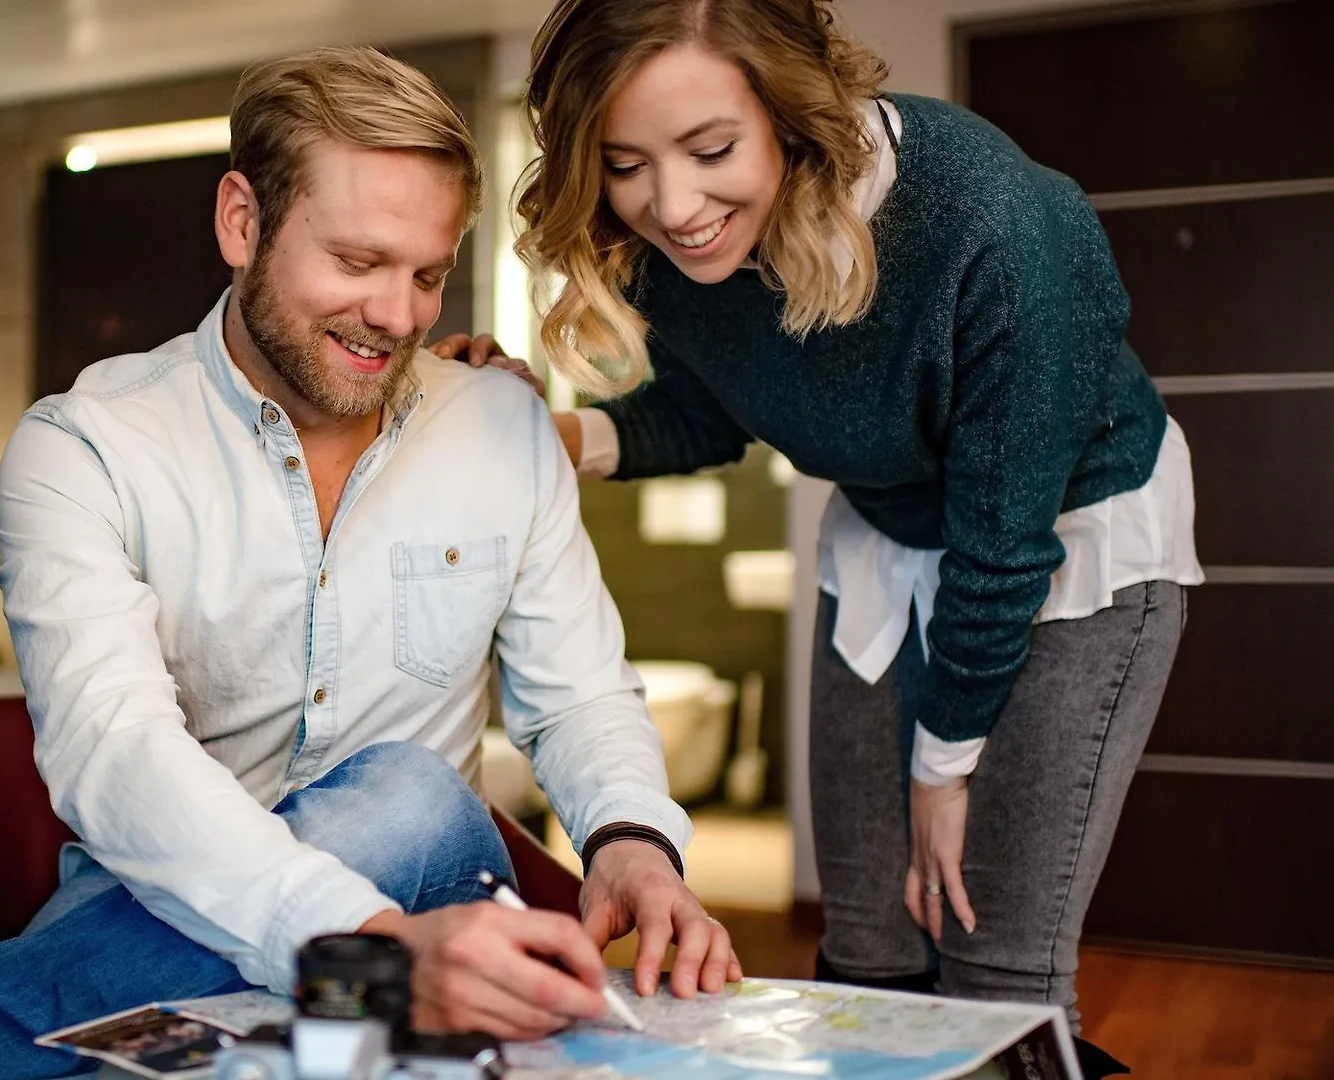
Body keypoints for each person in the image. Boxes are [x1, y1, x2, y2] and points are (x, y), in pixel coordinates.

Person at [0, 46, 736, 1080]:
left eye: (427, 274)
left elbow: (582, 697)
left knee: (414, 802)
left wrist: (635, 842)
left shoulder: (504, 430)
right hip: (199, 940)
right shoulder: (85, 447)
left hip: (411, 939)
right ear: (242, 221)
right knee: (299, 920)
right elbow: (118, 752)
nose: (399, 315)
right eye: (358, 262)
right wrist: (357, 941)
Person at [438, 1, 1199, 1071]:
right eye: (624, 163)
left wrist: (944, 771)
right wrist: (538, 432)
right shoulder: (679, 243)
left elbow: (1003, 544)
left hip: (1069, 551)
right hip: (885, 537)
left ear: (797, 111)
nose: (673, 205)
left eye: (711, 150)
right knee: (869, 949)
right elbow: (712, 411)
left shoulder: (997, 225)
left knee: (995, 976)